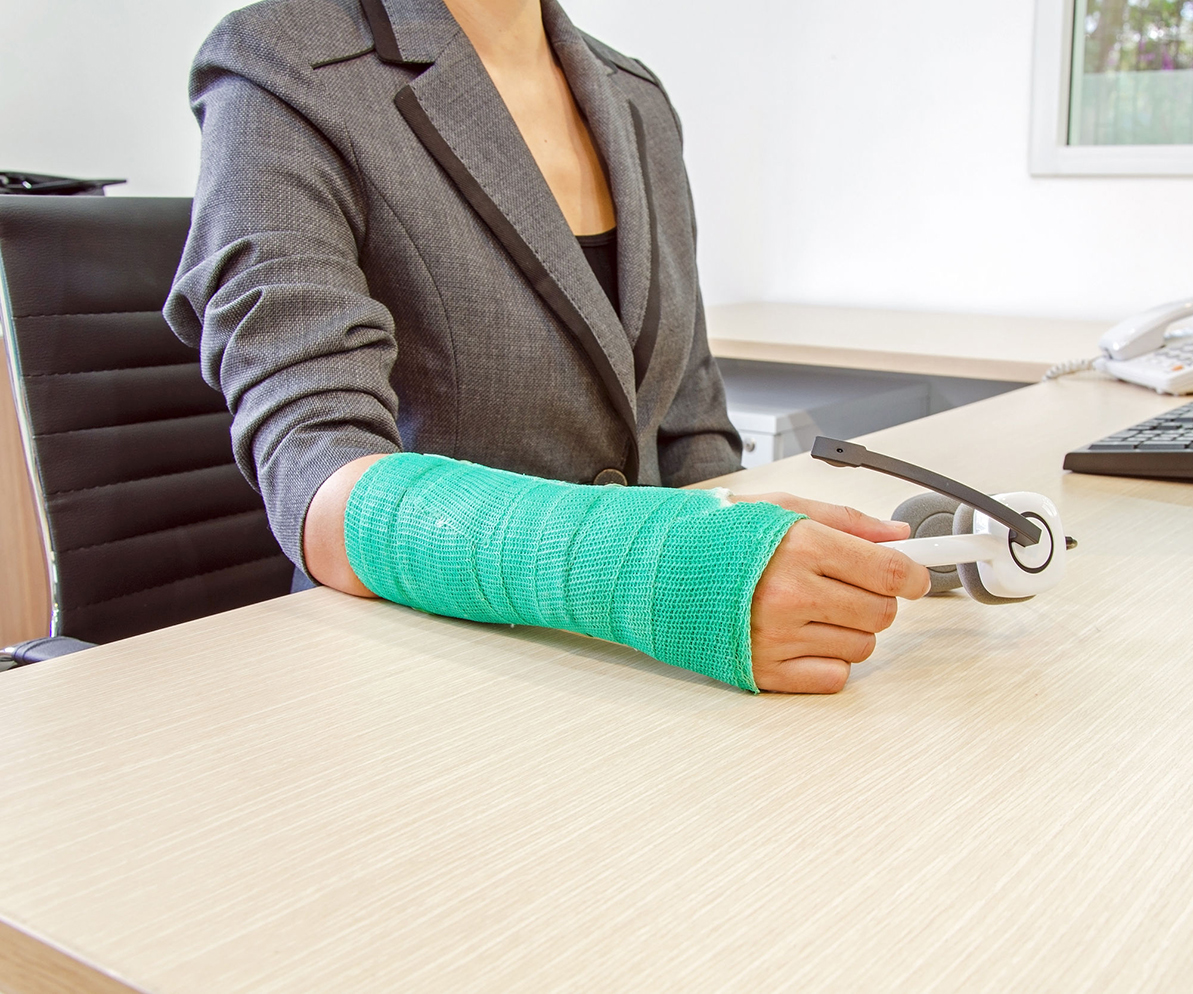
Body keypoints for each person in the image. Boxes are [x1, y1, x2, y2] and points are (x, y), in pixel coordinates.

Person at [167, 0, 928, 694]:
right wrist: (664, 569)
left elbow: (689, 426)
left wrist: (765, 559)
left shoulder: (636, 98)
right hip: (420, 676)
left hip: (649, 675)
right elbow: (316, 477)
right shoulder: (288, 63)